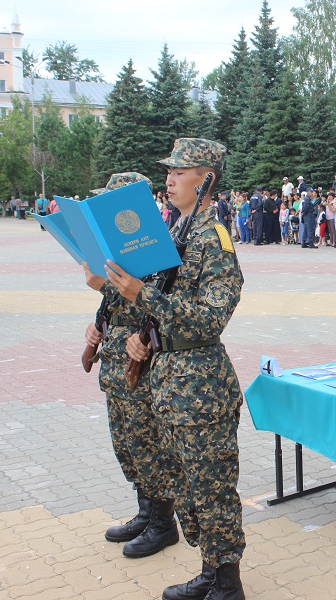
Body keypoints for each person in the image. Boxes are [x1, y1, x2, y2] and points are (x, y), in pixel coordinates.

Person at [99, 138, 246, 600]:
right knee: (187, 486)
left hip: (200, 384)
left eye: (181, 172)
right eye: (170, 171)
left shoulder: (212, 238)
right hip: (169, 381)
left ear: (207, 180)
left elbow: (209, 318)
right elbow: (165, 310)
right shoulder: (179, 231)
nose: (170, 178)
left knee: (212, 488)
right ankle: (209, 572)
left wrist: (142, 295)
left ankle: (226, 585)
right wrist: (141, 334)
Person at [82, 172, 181, 561]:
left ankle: (163, 524)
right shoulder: (118, 247)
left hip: (141, 360)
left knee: (149, 446)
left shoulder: (156, 245)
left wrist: (103, 286)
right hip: (114, 360)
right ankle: (145, 513)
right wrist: (96, 324)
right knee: (127, 443)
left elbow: (152, 302)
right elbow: (116, 304)